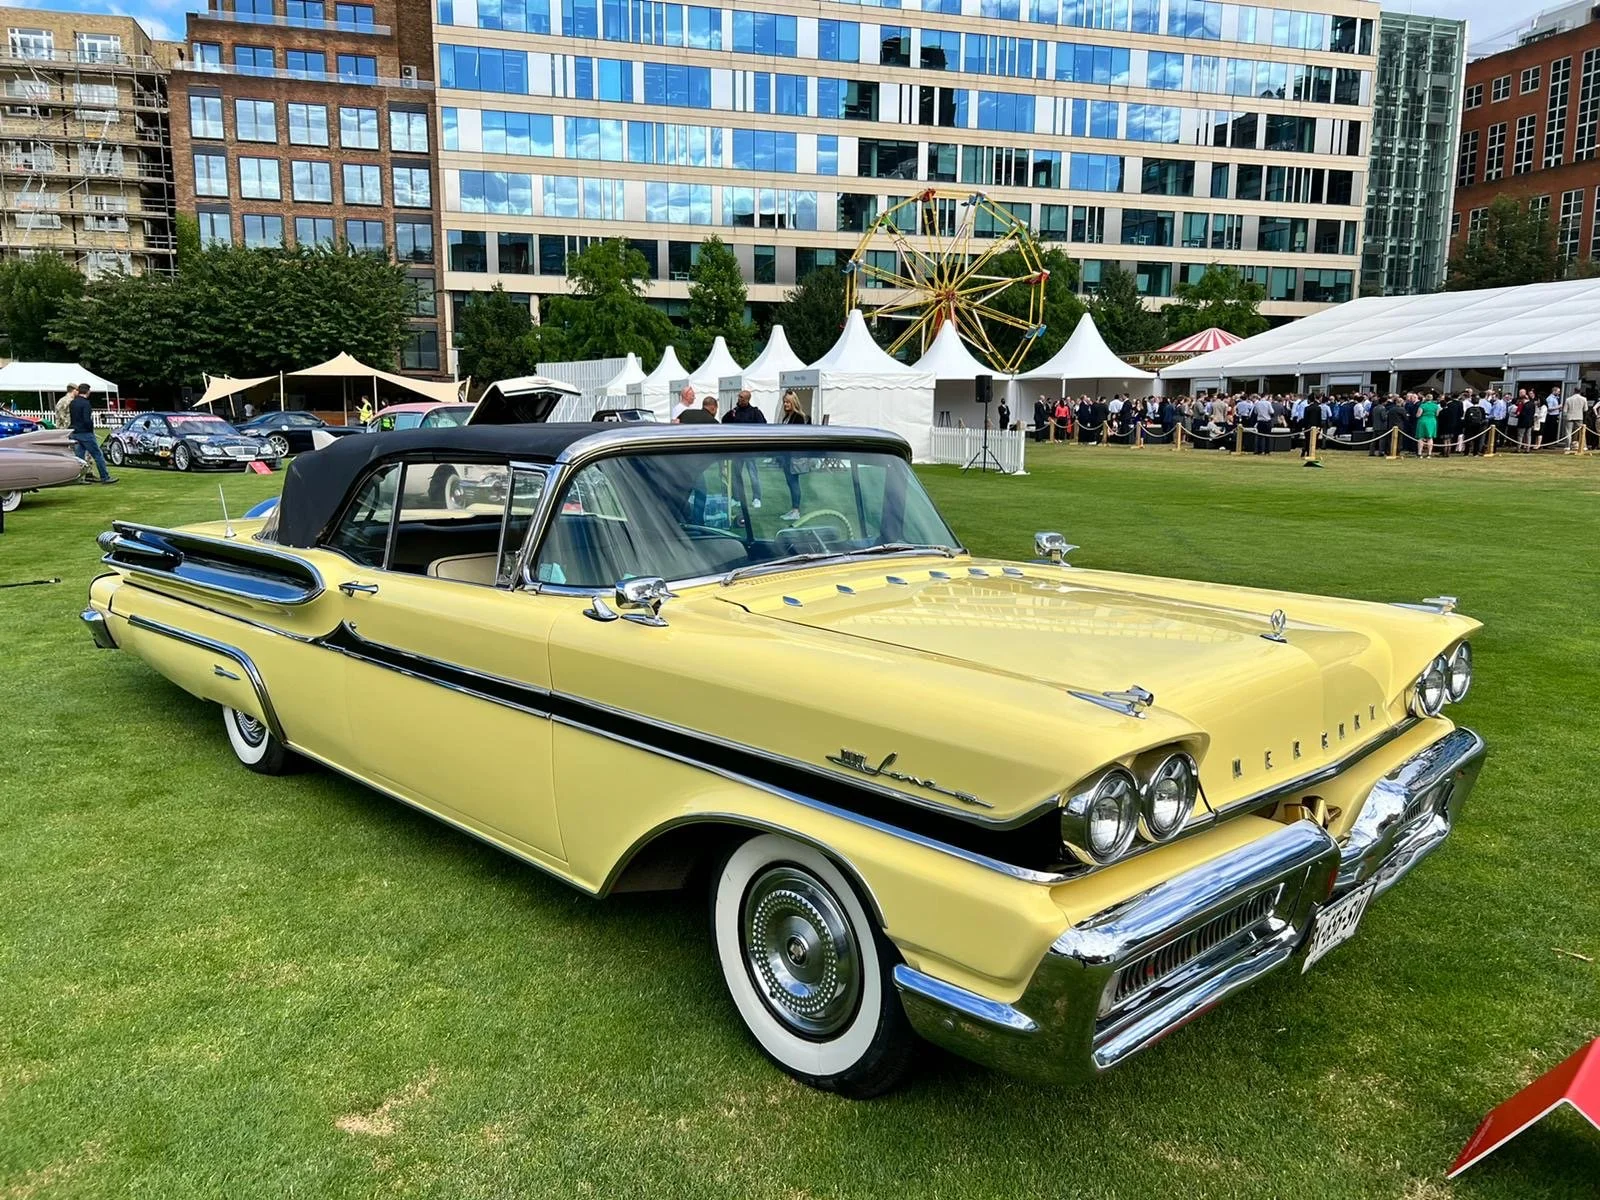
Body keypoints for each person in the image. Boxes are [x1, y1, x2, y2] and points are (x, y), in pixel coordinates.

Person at [69, 383, 115, 484]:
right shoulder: (86, 403)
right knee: (97, 454)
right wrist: (90, 429)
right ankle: (105, 477)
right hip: (85, 432)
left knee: (79, 456)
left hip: (75, 432)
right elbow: (87, 419)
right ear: (87, 391)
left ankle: (79, 478)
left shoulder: (73, 403)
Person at [778, 390, 807, 519]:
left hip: (794, 455)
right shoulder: (786, 417)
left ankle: (796, 510)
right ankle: (793, 508)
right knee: (790, 482)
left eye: (788, 402)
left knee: (794, 482)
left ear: (793, 402)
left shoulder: (798, 417)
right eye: (784, 402)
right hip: (786, 455)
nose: (785, 404)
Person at [1562, 386, 1586, 451]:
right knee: (1581, 431)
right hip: (1579, 416)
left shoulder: (1568, 399)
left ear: (1574, 391)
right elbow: (1585, 409)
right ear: (1580, 391)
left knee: (1568, 432)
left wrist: (1565, 416)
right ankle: (1584, 446)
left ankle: (1567, 446)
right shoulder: (1584, 399)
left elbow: (1565, 410)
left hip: (1569, 417)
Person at [1416, 393, 1439, 458]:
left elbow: (1418, 415)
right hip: (1432, 421)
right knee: (1430, 438)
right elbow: (1437, 414)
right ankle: (1429, 454)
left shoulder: (1422, 405)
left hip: (1423, 421)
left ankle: (1419, 453)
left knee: (1421, 437)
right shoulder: (1436, 406)